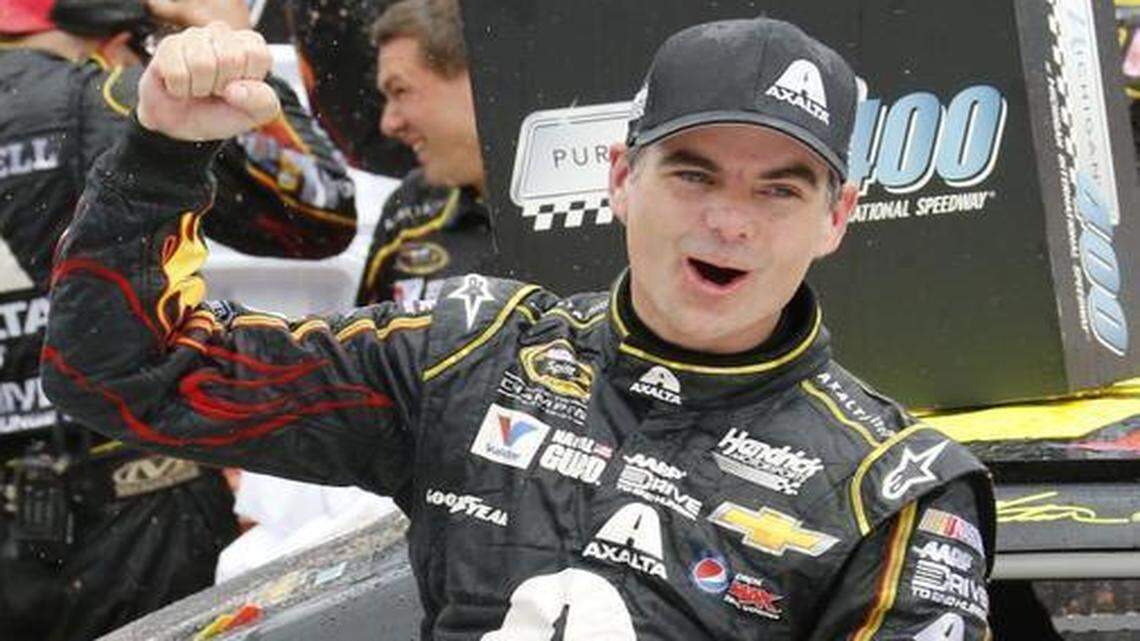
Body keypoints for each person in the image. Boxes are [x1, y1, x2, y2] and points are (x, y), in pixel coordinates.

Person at [41, 15, 997, 640]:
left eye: (778, 189)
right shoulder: (476, 347)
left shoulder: (894, 489)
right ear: (622, 178)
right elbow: (127, 370)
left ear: (837, 218)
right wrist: (164, 150)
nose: (730, 221)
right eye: (693, 174)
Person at [0, 0, 356, 638]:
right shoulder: (110, 97)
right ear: (113, 27)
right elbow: (319, 211)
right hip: (138, 511)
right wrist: (223, 46)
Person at [355, 0, 494, 307]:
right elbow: (367, 351)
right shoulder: (411, 208)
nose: (388, 124)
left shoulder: (600, 197)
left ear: (475, 77)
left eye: (400, 90)